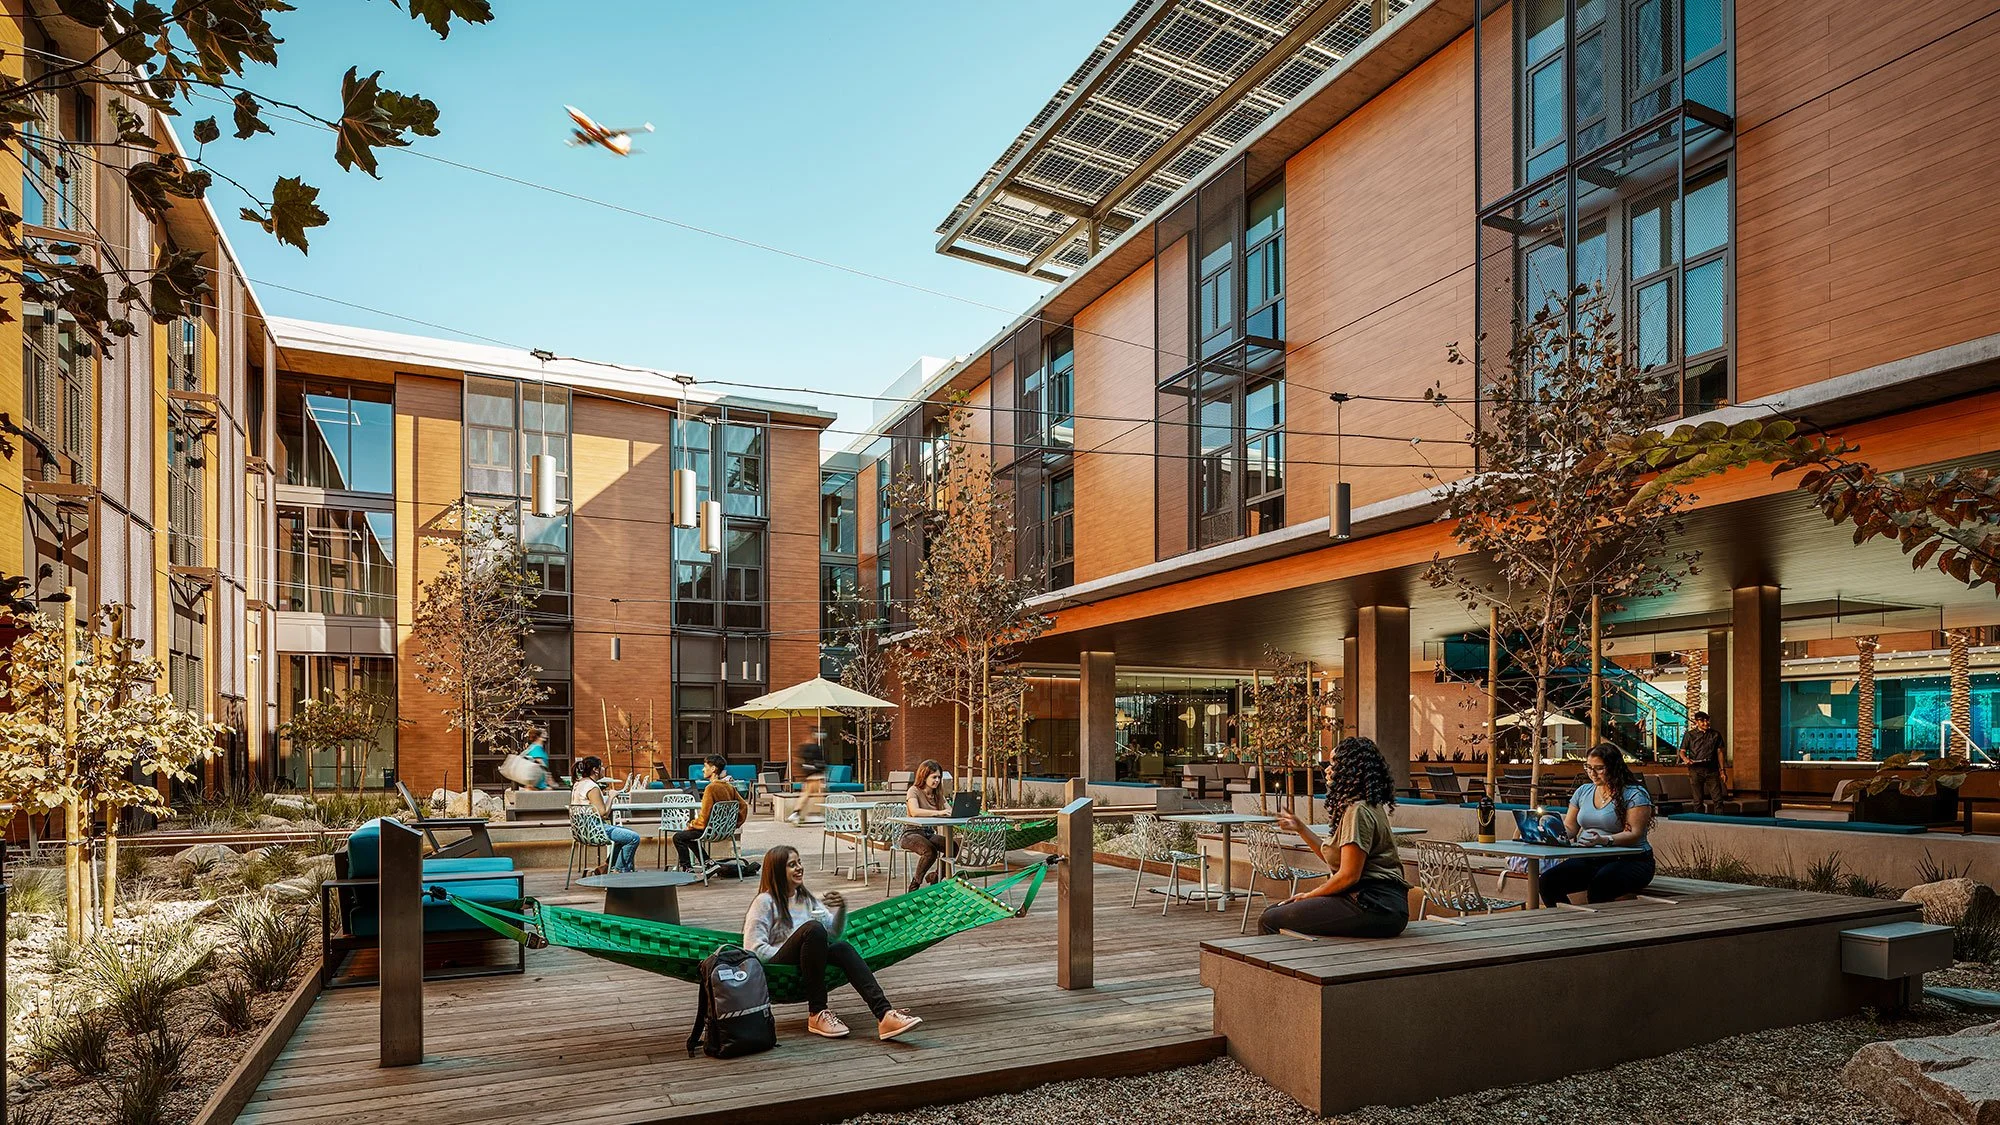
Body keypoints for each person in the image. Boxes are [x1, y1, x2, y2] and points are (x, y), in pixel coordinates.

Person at [744, 845, 923, 1040]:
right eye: (791, 865)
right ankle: (817, 1012)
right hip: (777, 967)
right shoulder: (764, 902)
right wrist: (791, 949)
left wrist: (841, 909)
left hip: (809, 960)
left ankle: (885, 1015)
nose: (799, 868)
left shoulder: (805, 898)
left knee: (842, 947)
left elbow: (833, 934)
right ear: (778, 870)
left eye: (799, 862)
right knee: (812, 929)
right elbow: (753, 948)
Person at [1261, 736, 1410, 938]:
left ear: (1351, 769)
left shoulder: (1358, 811)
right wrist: (1301, 828)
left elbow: (1349, 875)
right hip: (1377, 904)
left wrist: (1308, 896)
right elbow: (1339, 861)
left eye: (1334, 763)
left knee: (1270, 920)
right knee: (1273, 913)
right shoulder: (1365, 806)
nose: (1328, 769)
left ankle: (1289, 967)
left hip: (1375, 905)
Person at [1539, 743, 1656, 906]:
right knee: (1547, 881)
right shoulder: (1583, 791)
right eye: (1588, 767)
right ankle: (1565, 921)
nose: (1592, 773)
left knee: (1600, 887)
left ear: (1613, 767)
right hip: (1589, 857)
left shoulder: (1634, 794)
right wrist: (1547, 832)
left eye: (1599, 768)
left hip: (1630, 859)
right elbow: (1570, 828)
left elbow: (1634, 834)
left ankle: (1598, 927)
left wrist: (1604, 840)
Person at [672, 753, 749, 871]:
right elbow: (743, 806)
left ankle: (687, 868)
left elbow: (703, 819)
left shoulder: (710, 788)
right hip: (724, 831)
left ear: (713, 769)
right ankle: (708, 863)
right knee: (688, 836)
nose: (703, 769)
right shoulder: (729, 787)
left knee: (678, 837)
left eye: (705, 766)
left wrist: (691, 824)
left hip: (710, 831)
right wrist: (733, 824)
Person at [570, 756, 640, 874]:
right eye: (601, 766)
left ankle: (606, 867)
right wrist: (611, 797)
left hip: (582, 831)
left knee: (623, 836)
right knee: (633, 838)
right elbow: (604, 813)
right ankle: (619, 871)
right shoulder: (592, 787)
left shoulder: (578, 784)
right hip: (595, 829)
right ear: (595, 770)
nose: (603, 769)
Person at [900, 758, 951, 893]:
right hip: (911, 833)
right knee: (930, 852)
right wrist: (939, 813)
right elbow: (914, 811)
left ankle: (936, 878)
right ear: (924, 776)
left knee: (952, 847)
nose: (937, 780)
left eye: (939, 777)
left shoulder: (938, 794)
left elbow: (949, 810)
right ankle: (915, 885)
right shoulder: (914, 790)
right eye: (934, 777)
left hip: (928, 833)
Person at [1680, 710, 1725, 813]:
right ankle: (1699, 823)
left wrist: (1722, 771)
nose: (1706, 723)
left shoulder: (1715, 735)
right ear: (1696, 722)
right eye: (1702, 721)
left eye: (1707, 721)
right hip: (1695, 770)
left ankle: (1721, 822)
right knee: (1698, 800)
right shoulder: (1689, 735)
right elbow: (1682, 751)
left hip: (1712, 770)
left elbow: (1720, 753)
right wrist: (1686, 759)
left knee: (1718, 799)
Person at [788, 733, 827, 826]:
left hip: (808, 776)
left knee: (805, 795)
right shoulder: (815, 748)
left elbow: (799, 761)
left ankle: (796, 813)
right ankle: (814, 814)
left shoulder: (803, 748)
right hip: (817, 775)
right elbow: (820, 762)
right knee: (819, 795)